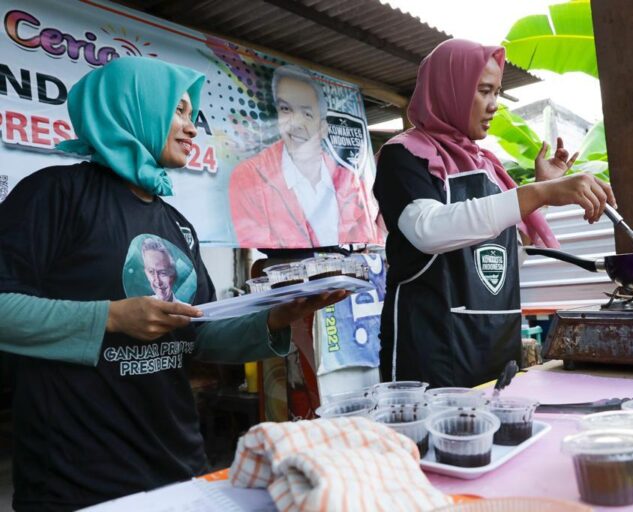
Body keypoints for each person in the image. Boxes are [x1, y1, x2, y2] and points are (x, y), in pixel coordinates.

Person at [0, 57, 346, 511]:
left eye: (191, 114)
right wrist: (110, 317)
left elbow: (198, 334)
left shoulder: (177, 224)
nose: (191, 127)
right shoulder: (55, 194)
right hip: (78, 480)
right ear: (133, 108)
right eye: (178, 111)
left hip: (178, 466)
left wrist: (279, 317)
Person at [373, 39, 615, 388]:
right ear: (449, 88)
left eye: (497, 92)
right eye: (484, 91)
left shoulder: (489, 166)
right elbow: (428, 231)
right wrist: (537, 192)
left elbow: (506, 257)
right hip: (431, 356)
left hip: (495, 349)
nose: (493, 106)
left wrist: (539, 196)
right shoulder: (404, 156)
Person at [229, 64, 379, 248]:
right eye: (285, 109)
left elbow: (367, 241)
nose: (296, 123)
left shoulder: (350, 183)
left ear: (323, 127)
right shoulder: (249, 177)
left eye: (307, 114)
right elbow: (255, 245)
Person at [141, 236, 183, 302]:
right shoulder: (141, 307)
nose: (158, 281)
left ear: (173, 274)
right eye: (151, 272)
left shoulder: (188, 308)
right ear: (146, 273)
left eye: (163, 273)